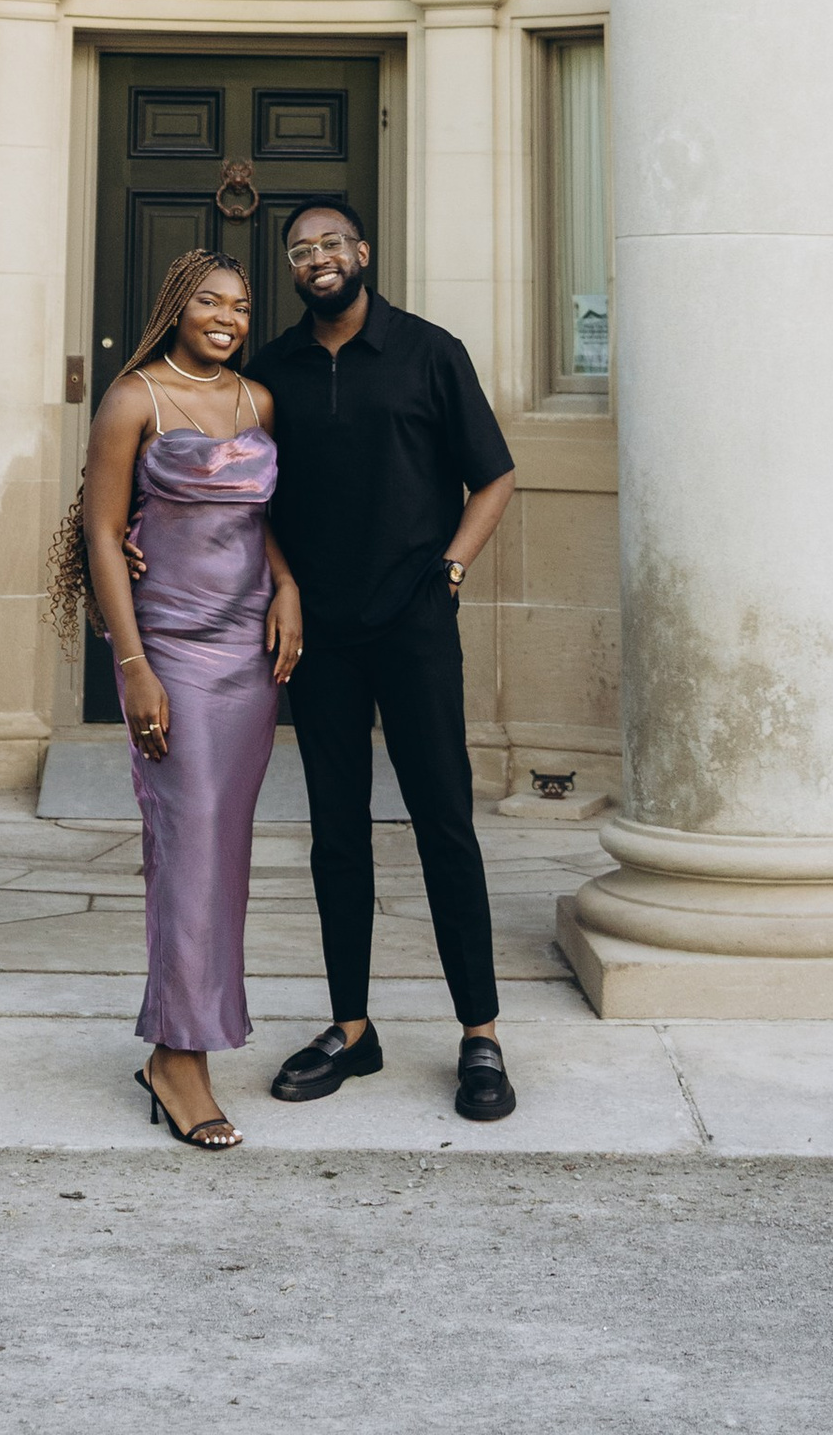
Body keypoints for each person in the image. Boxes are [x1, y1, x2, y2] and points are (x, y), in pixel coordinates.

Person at [251, 199, 519, 1123]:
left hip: (412, 621)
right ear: (291, 269)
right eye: (300, 250)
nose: (317, 259)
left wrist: (448, 572)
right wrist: (282, 584)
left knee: (444, 820)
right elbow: (250, 501)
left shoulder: (428, 351)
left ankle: (479, 1033)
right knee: (336, 831)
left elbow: (494, 475)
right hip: (316, 631)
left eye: (330, 244)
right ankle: (352, 1029)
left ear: (363, 253)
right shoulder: (271, 368)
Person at [47, 247, 303, 1150]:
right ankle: (179, 1058)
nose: (228, 316)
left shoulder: (258, 400)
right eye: (209, 301)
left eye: (239, 304)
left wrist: (288, 587)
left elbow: (265, 518)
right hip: (171, 650)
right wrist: (132, 664)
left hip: (247, 656)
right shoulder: (134, 399)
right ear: (175, 306)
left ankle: (181, 1041)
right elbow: (106, 536)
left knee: (221, 850)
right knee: (186, 846)